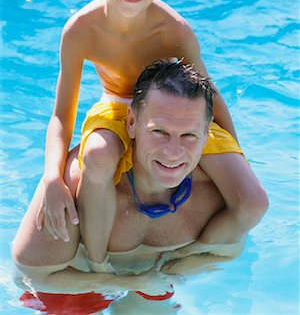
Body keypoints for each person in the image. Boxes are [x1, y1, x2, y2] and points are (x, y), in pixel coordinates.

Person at [36, 0, 268, 269]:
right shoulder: (80, 29)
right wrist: (52, 176)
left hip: (173, 109)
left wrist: (236, 153)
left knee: (253, 200)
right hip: (116, 107)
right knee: (97, 157)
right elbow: (60, 115)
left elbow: (208, 94)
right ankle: (98, 262)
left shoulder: (175, 30)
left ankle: (189, 258)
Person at [12, 60, 268, 297]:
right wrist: (126, 284)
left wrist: (178, 268)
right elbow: (34, 277)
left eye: (189, 135)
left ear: (206, 132)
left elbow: (228, 252)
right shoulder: (77, 187)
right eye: (159, 131)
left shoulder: (219, 194)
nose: (173, 152)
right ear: (132, 122)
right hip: (74, 289)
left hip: (154, 288)